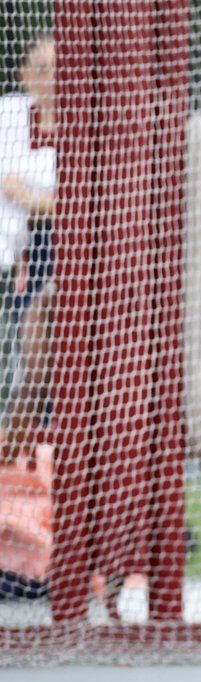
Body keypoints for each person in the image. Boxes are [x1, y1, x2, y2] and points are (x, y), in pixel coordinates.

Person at [0, 34, 55, 467]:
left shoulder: (90, 124)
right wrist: (57, 202)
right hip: (30, 254)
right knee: (33, 373)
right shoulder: (12, 117)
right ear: (24, 74)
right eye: (39, 68)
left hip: (79, 253)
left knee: (59, 377)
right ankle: (10, 463)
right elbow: (14, 189)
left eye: (57, 68)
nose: (49, 78)